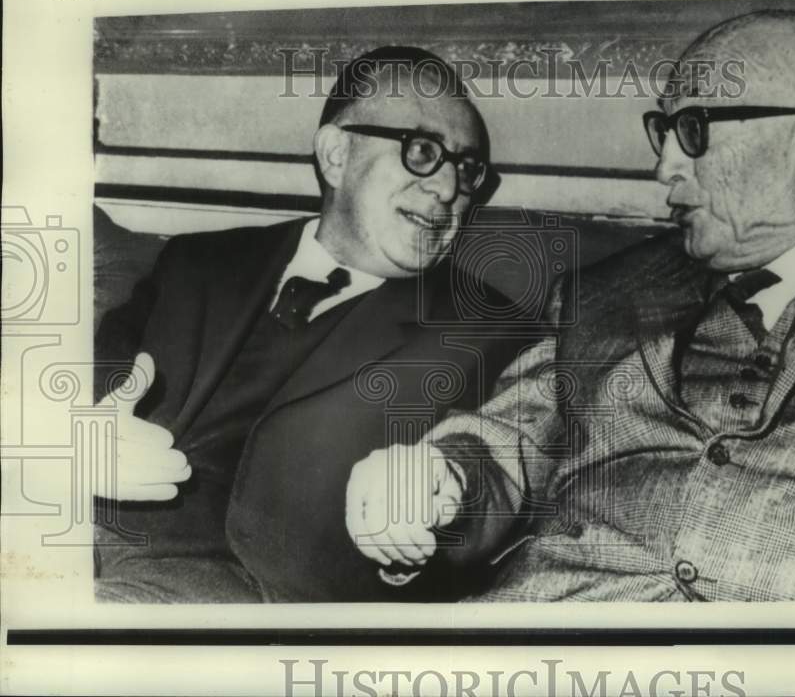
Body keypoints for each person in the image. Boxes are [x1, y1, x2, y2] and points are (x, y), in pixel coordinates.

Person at [346, 11, 795, 601]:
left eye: (693, 130)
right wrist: (438, 478)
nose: (663, 166)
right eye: (662, 134)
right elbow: (507, 443)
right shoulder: (602, 292)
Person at [94, 46, 529, 603]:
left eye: (467, 170)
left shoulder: (490, 330)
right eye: (422, 151)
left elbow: (497, 475)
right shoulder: (197, 261)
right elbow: (93, 373)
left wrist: (432, 502)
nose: (448, 190)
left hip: (234, 607)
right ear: (335, 154)